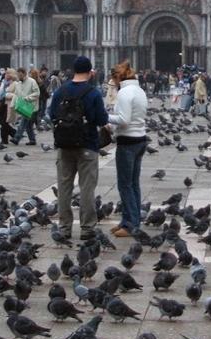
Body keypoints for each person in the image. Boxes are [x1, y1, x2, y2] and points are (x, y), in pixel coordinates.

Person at [48, 56, 109, 242]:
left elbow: (51, 115)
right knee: (87, 188)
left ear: (73, 71)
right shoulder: (93, 93)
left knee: (64, 188)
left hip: (64, 146)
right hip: (87, 146)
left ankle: (65, 228)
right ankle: (87, 228)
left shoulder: (61, 91)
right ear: (90, 72)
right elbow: (101, 119)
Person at [108, 61, 148, 238]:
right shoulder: (139, 90)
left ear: (119, 77)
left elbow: (124, 119)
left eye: (113, 80)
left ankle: (130, 224)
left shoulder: (124, 92)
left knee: (125, 184)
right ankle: (129, 220)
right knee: (133, 183)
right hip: (140, 139)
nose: (112, 84)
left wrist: (105, 117)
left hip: (128, 142)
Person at [10, 68, 40, 145]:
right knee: (28, 125)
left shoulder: (32, 81)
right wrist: (13, 104)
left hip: (32, 106)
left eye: (20, 74)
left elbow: (37, 93)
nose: (19, 76)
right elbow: (16, 94)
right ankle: (32, 140)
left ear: (24, 74)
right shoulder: (18, 84)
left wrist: (27, 98)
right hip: (23, 106)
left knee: (23, 123)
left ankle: (16, 138)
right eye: (18, 74)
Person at [0, 69, 16, 143]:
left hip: (9, 104)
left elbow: (17, 94)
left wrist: (8, 95)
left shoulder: (15, 83)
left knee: (4, 122)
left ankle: (8, 137)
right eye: (6, 73)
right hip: (1, 104)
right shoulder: (4, 82)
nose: (6, 75)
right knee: (2, 122)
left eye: (8, 73)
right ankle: (8, 137)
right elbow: (1, 92)